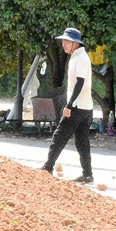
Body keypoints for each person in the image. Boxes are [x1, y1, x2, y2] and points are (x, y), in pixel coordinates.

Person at [41, 27, 95, 184]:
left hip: (78, 106)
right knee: (81, 141)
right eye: (63, 41)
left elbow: (80, 83)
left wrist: (69, 105)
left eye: (66, 41)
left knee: (59, 135)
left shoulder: (81, 59)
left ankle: (48, 167)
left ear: (75, 43)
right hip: (84, 106)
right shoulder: (77, 56)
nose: (63, 44)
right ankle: (87, 174)